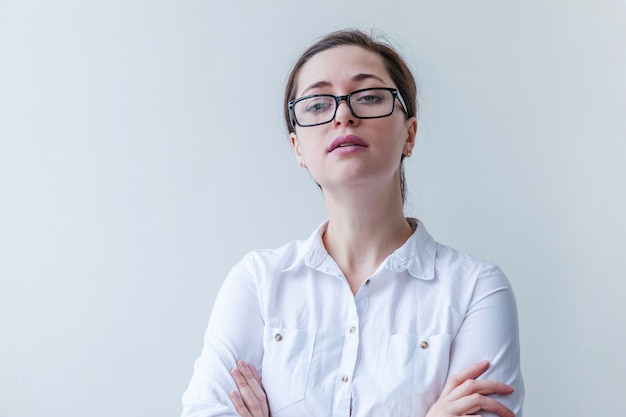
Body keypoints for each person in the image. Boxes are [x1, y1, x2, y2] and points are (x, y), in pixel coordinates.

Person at [181, 29, 524, 417]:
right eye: (316, 105)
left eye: (369, 97)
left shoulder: (476, 290)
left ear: (409, 135)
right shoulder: (258, 282)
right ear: (298, 149)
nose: (343, 115)